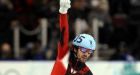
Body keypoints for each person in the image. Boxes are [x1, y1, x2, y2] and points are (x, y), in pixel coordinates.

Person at [51, 0, 96, 75]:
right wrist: (63, 12)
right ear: (75, 49)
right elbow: (64, 34)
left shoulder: (87, 72)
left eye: (90, 51)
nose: (86, 54)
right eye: (84, 49)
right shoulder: (64, 55)